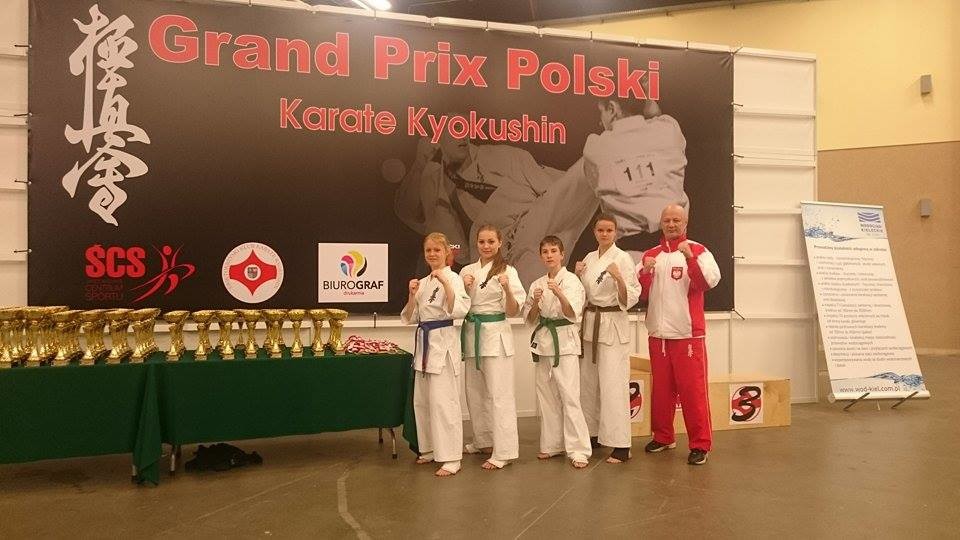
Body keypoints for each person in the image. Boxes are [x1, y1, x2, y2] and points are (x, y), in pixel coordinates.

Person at [393, 132, 563, 268]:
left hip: (541, 229)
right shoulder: (434, 182)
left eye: (462, 128)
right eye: (453, 129)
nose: (461, 136)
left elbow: (553, 191)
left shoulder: (502, 157)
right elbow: (407, 211)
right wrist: (420, 165)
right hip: (496, 259)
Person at [638, 204, 721, 465]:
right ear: (661, 223)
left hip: (688, 336)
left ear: (685, 223)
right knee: (661, 392)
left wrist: (690, 259)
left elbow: (707, 283)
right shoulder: (650, 255)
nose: (671, 224)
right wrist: (645, 273)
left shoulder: (699, 250)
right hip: (658, 335)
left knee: (693, 393)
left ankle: (700, 444)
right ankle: (663, 437)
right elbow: (640, 294)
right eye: (667, 220)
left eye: (676, 220)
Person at [400, 232, 471, 477]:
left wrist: (446, 284)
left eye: (437, 250)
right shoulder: (422, 282)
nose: (432, 254)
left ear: (447, 252)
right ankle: (429, 448)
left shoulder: (454, 278)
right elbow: (410, 317)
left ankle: (451, 457)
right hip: (424, 345)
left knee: (444, 402)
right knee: (422, 401)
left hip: (443, 344)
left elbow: (459, 310)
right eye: (428, 250)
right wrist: (412, 294)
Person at [575, 213, 641, 464]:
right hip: (591, 324)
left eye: (609, 230)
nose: (604, 234)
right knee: (588, 383)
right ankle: (592, 434)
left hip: (612, 323)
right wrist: (577, 275)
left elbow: (632, 295)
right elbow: (582, 294)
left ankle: (621, 444)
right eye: (600, 230)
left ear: (616, 233)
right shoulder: (590, 258)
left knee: (613, 384)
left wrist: (619, 278)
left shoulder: (622, 258)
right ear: (594, 232)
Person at [522, 235, 591, 469]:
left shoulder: (572, 281)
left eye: (553, 251)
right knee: (546, 395)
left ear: (562, 254)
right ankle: (553, 444)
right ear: (541, 256)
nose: (549, 255)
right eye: (545, 252)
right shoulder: (537, 284)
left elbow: (572, 313)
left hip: (565, 342)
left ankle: (579, 449)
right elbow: (530, 319)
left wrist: (559, 293)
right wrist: (535, 303)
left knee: (569, 395)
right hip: (543, 341)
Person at [460, 225, 525, 470]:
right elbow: (457, 307)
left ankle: (505, 451)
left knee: (500, 395)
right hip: (472, 334)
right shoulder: (467, 271)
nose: (486, 246)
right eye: (482, 242)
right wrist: (463, 288)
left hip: (496, 335)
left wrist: (507, 288)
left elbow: (513, 310)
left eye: (490, 241)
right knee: (475, 392)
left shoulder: (508, 271)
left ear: (499, 243)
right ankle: (484, 440)